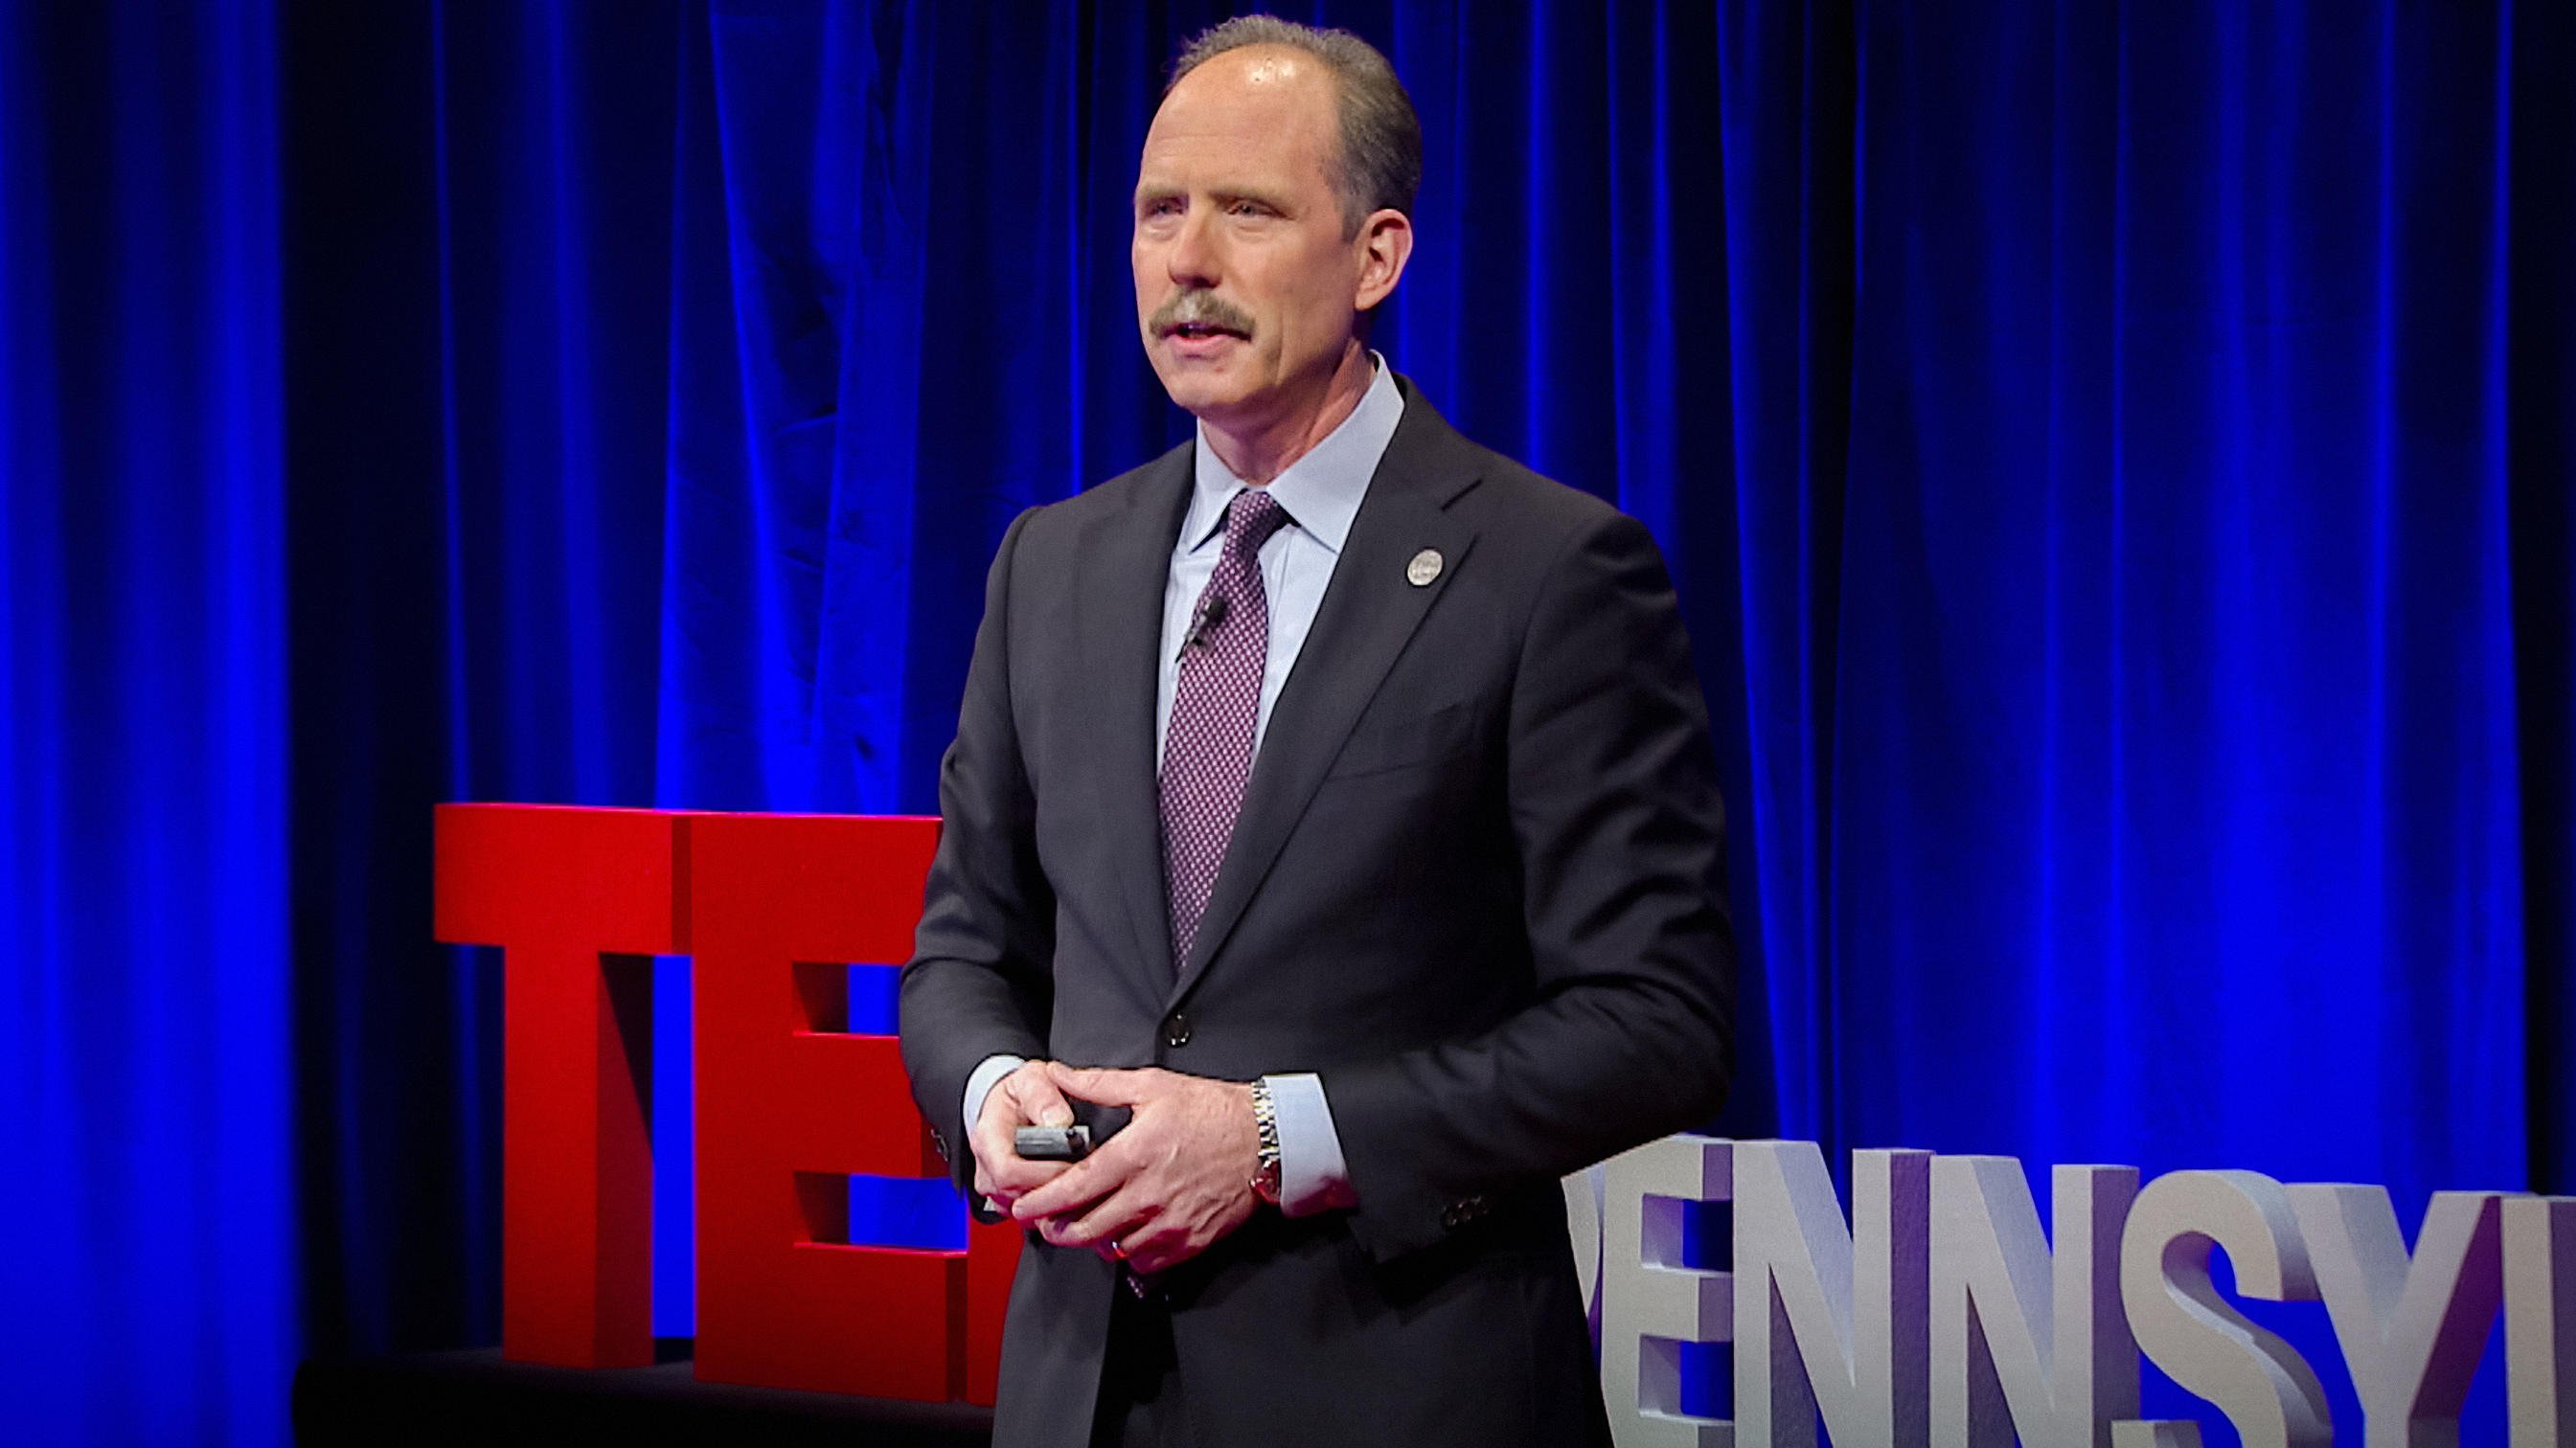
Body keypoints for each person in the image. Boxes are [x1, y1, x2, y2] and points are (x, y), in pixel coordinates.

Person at [899, 16, 1731, 1447]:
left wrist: (1277, 1141)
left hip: (1399, 1385)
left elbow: (1654, 1024)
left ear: (1375, 258)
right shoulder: (1051, 563)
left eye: (1249, 211)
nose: (1189, 262)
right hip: (1079, 1388)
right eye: (1161, 211)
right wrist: (992, 1094)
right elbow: (965, 950)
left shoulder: (1547, 572)